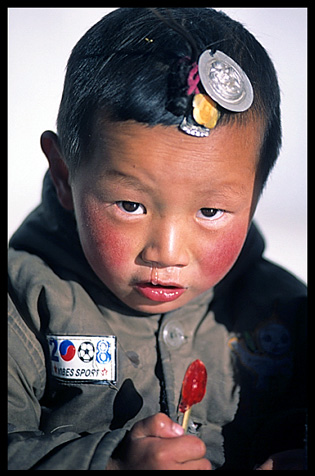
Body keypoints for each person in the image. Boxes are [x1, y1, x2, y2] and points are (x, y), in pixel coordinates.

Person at [8, 8, 307, 470]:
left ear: (255, 193)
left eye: (210, 211)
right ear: (64, 175)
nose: (166, 252)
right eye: (130, 206)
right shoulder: (25, 306)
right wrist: (110, 464)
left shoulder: (288, 313)